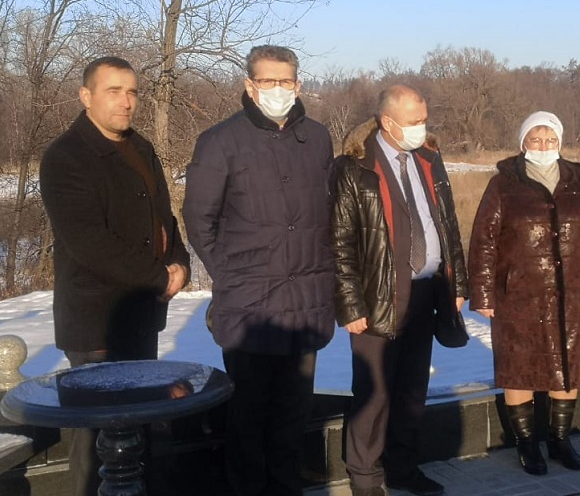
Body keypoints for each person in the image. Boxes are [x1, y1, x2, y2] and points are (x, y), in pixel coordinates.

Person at [182, 45, 336, 495]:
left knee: (293, 414)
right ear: (249, 86)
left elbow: (328, 215)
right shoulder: (220, 141)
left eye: (285, 81)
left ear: (298, 85)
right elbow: (199, 219)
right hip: (250, 304)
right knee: (248, 416)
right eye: (267, 81)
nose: (277, 90)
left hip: (306, 301)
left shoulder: (318, 138)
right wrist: (230, 273)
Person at [39, 56, 191, 496]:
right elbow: (89, 242)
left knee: (140, 424)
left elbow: (164, 218)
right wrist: (159, 277)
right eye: (113, 91)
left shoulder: (140, 147)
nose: (126, 102)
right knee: (97, 439)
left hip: (140, 316)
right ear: (85, 96)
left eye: (132, 92)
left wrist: (180, 262)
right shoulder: (65, 157)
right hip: (96, 324)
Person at [331, 85, 469, 496]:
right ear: (387, 122)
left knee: (411, 391)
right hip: (377, 296)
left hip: (426, 291)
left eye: (424, 119)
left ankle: (404, 469)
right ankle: (365, 477)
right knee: (374, 395)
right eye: (413, 121)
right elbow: (339, 241)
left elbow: (448, 224)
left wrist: (456, 282)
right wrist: (350, 305)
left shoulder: (428, 157)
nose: (422, 128)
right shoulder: (354, 167)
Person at [468, 111, 580, 476]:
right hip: (518, 295)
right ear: (523, 143)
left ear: (560, 142)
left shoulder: (578, 182)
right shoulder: (503, 184)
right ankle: (526, 443)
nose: (543, 146)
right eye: (535, 139)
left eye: (550, 139)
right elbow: (484, 241)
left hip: (573, 293)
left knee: (569, 364)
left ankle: (559, 439)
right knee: (519, 368)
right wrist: (483, 294)